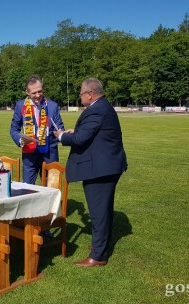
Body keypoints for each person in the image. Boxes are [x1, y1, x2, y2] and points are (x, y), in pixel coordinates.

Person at [54, 78, 128, 267]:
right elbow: (88, 132)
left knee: (98, 212)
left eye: (81, 94)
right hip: (106, 166)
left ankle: (98, 256)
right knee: (102, 210)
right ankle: (100, 245)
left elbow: (80, 139)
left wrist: (62, 135)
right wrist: (75, 131)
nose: (80, 98)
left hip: (102, 170)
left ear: (89, 94)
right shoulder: (102, 107)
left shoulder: (96, 109)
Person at [10, 75, 64, 184]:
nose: (38, 95)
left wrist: (60, 133)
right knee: (27, 189)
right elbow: (13, 129)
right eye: (34, 93)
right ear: (27, 92)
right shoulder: (21, 106)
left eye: (40, 91)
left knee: (51, 189)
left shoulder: (53, 106)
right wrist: (21, 140)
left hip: (49, 154)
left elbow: (60, 127)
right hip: (30, 155)